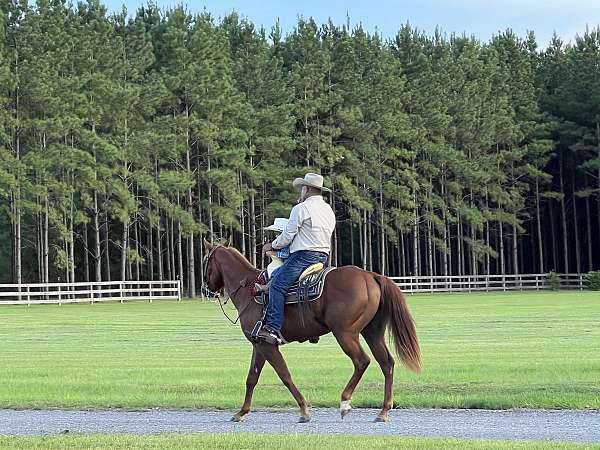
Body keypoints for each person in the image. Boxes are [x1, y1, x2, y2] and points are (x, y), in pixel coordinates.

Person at [257, 173, 336, 345]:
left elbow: (288, 236)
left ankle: (272, 328)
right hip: (323, 257)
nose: (301, 192)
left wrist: (273, 245)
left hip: (303, 256)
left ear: (306, 190)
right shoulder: (328, 209)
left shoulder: (300, 209)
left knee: (277, 286)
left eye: (302, 188)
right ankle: (312, 329)